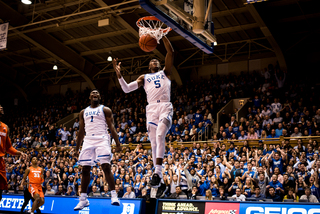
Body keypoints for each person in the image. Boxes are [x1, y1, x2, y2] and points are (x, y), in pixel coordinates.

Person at [113, 36, 174, 188]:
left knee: (160, 135)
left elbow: (170, 52)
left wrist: (162, 35)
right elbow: (127, 89)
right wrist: (119, 75)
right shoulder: (144, 77)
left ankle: (158, 172)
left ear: (159, 65)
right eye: (151, 61)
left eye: (156, 61)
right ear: (148, 67)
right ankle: (157, 175)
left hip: (165, 106)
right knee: (153, 141)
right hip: (151, 109)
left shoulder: (166, 72)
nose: (154, 61)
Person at [74, 89, 122, 210]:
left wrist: (117, 144)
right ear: (89, 97)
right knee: (85, 169)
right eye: (93, 93)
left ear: (99, 97)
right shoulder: (83, 112)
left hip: (102, 138)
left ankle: (114, 196)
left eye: (97, 93)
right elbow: (81, 132)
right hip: (88, 139)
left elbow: (112, 127)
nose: (95, 94)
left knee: (106, 166)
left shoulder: (105, 109)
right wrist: (76, 148)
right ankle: (83, 200)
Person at [0, 105, 26, 202]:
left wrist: (19, 153)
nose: (1, 107)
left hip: (0, 162)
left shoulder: (5, 127)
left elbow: (8, 148)